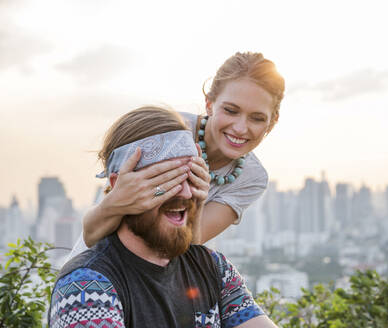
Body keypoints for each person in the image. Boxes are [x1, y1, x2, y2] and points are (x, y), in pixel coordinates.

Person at [49, 106, 277, 328]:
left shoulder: (214, 269)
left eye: (191, 178)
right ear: (118, 187)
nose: (186, 193)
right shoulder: (85, 286)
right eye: (165, 182)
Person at [69, 52, 285, 258]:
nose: (240, 128)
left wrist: (198, 202)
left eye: (256, 118)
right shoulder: (167, 131)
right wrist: (119, 199)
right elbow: (91, 233)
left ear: (272, 122)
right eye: (230, 110)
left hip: (154, 280)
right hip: (93, 269)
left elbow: (187, 247)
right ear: (209, 104)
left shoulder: (252, 178)